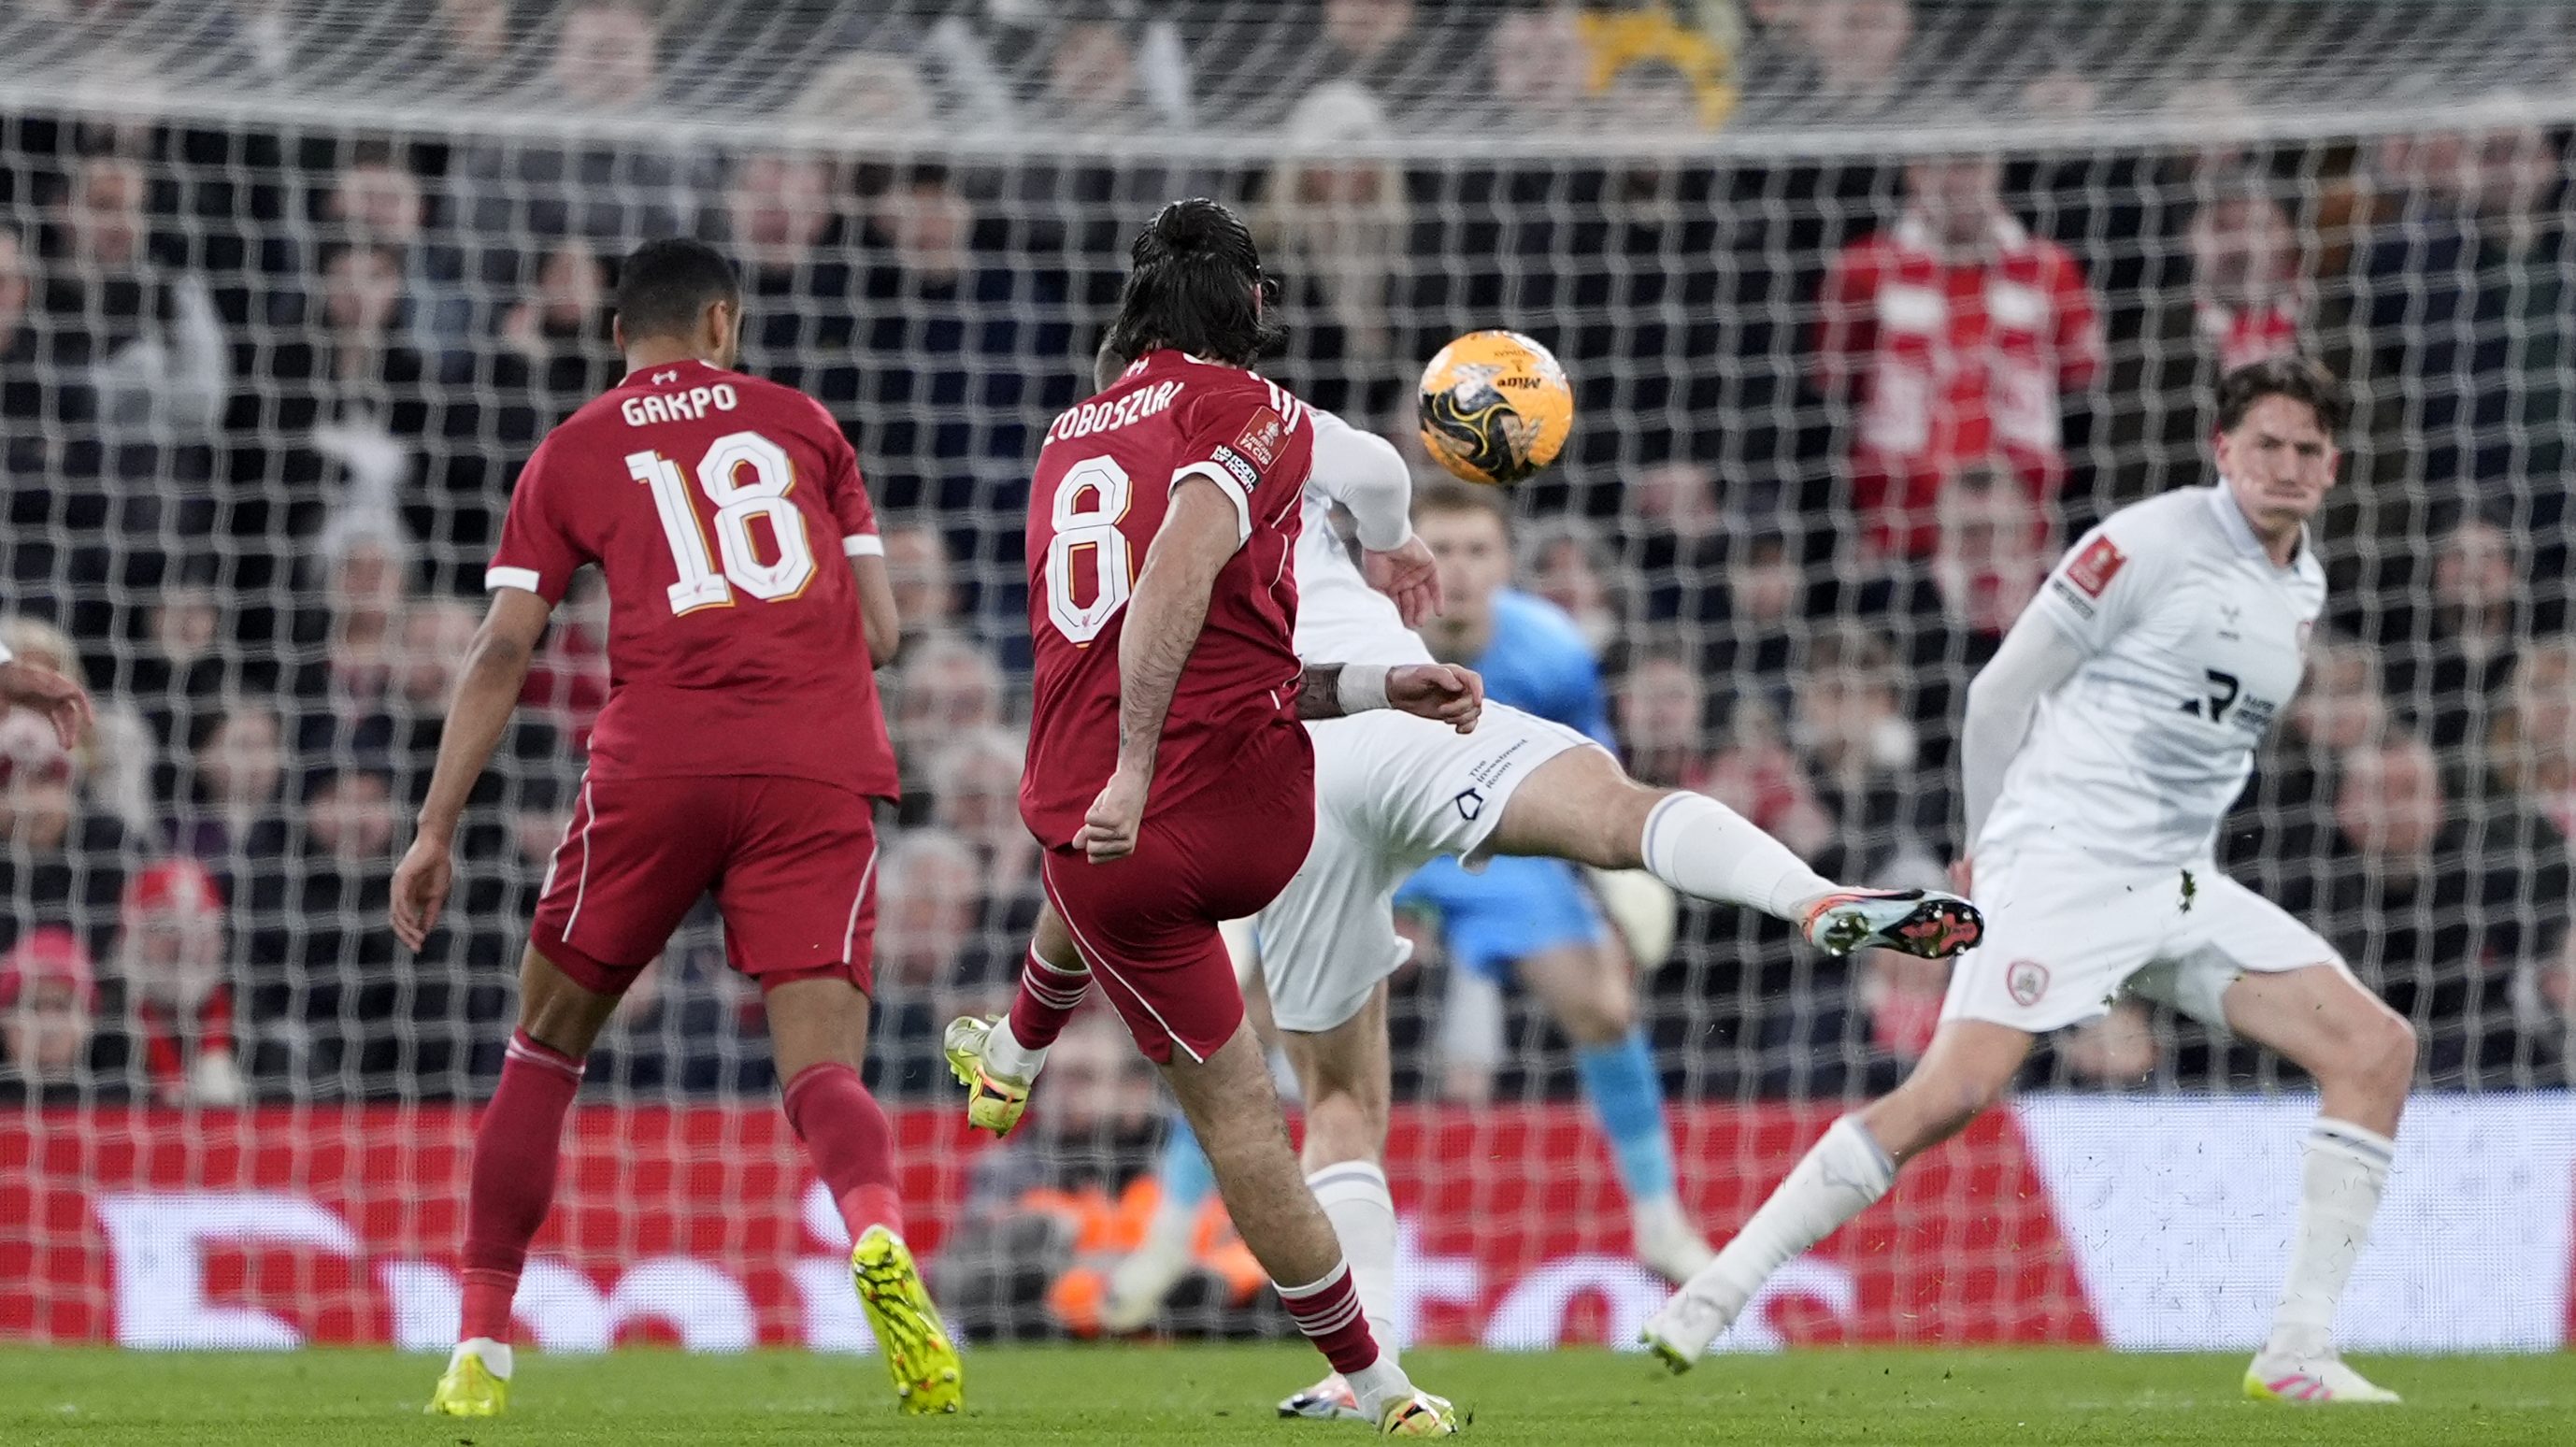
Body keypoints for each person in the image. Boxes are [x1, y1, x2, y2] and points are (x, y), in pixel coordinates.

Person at [1642, 357, 2420, 1407]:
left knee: (2374, 1048)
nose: (2284, 465)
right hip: (2060, 858)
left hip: (2175, 884)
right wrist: (1983, 842)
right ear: (2222, 450)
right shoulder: (2143, 544)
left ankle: (2295, 1350)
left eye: (2304, 449)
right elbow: (1999, 688)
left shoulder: (2304, 581)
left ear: (2330, 468)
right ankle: (1714, 1292)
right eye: (2264, 444)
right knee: (1949, 1094)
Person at [385, 238, 952, 1416]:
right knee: (821, 1074)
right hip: (816, 765)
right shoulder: (805, 427)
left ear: (616, 339)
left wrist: (436, 827)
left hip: (657, 766)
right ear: (720, 321)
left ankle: (482, 1346)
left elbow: (502, 646)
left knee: (544, 1045)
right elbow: (887, 633)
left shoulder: (574, 449)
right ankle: (878, 1233)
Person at [938, 199, 1475, 1436]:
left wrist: (1123, 771)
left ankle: (1384, 1392)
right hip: (1244, 807)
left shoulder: (1070, 433)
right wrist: (1389, 588)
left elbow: (1162, 594)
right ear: (1258, 310)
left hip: (1103, 844)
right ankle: (1015, 1053)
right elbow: (1207, 561)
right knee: (1262, 1087)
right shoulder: (1259, 410)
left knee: (1240, 1125)